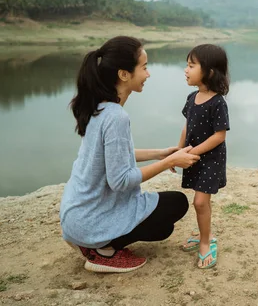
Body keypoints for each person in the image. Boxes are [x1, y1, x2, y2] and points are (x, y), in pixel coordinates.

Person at [60, 36, 200, 274]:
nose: (148, 74)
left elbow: (111, 156)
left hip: (74, 218)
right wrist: (170, 162)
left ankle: (93, 241)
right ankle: (103, 250)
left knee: (164, 224)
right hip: (89, 222)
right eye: (144, 68)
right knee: (177, 204)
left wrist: (160, 153)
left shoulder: (98, 107)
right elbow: (120, 181)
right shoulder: (116, 117)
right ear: (124, 74)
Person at [177, 44, 230, 269]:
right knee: (198, 202)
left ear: (208, 71)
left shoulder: (218, 102)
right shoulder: (192, 97)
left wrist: (192, 152)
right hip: (192, 156)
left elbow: (219, 136)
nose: (186, 70)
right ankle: (202, 235)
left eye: (191, 66)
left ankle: (206, 243)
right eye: (187, 65)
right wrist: (178, 151)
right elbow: (187, 125)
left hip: (210, 159)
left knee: (200, 202)